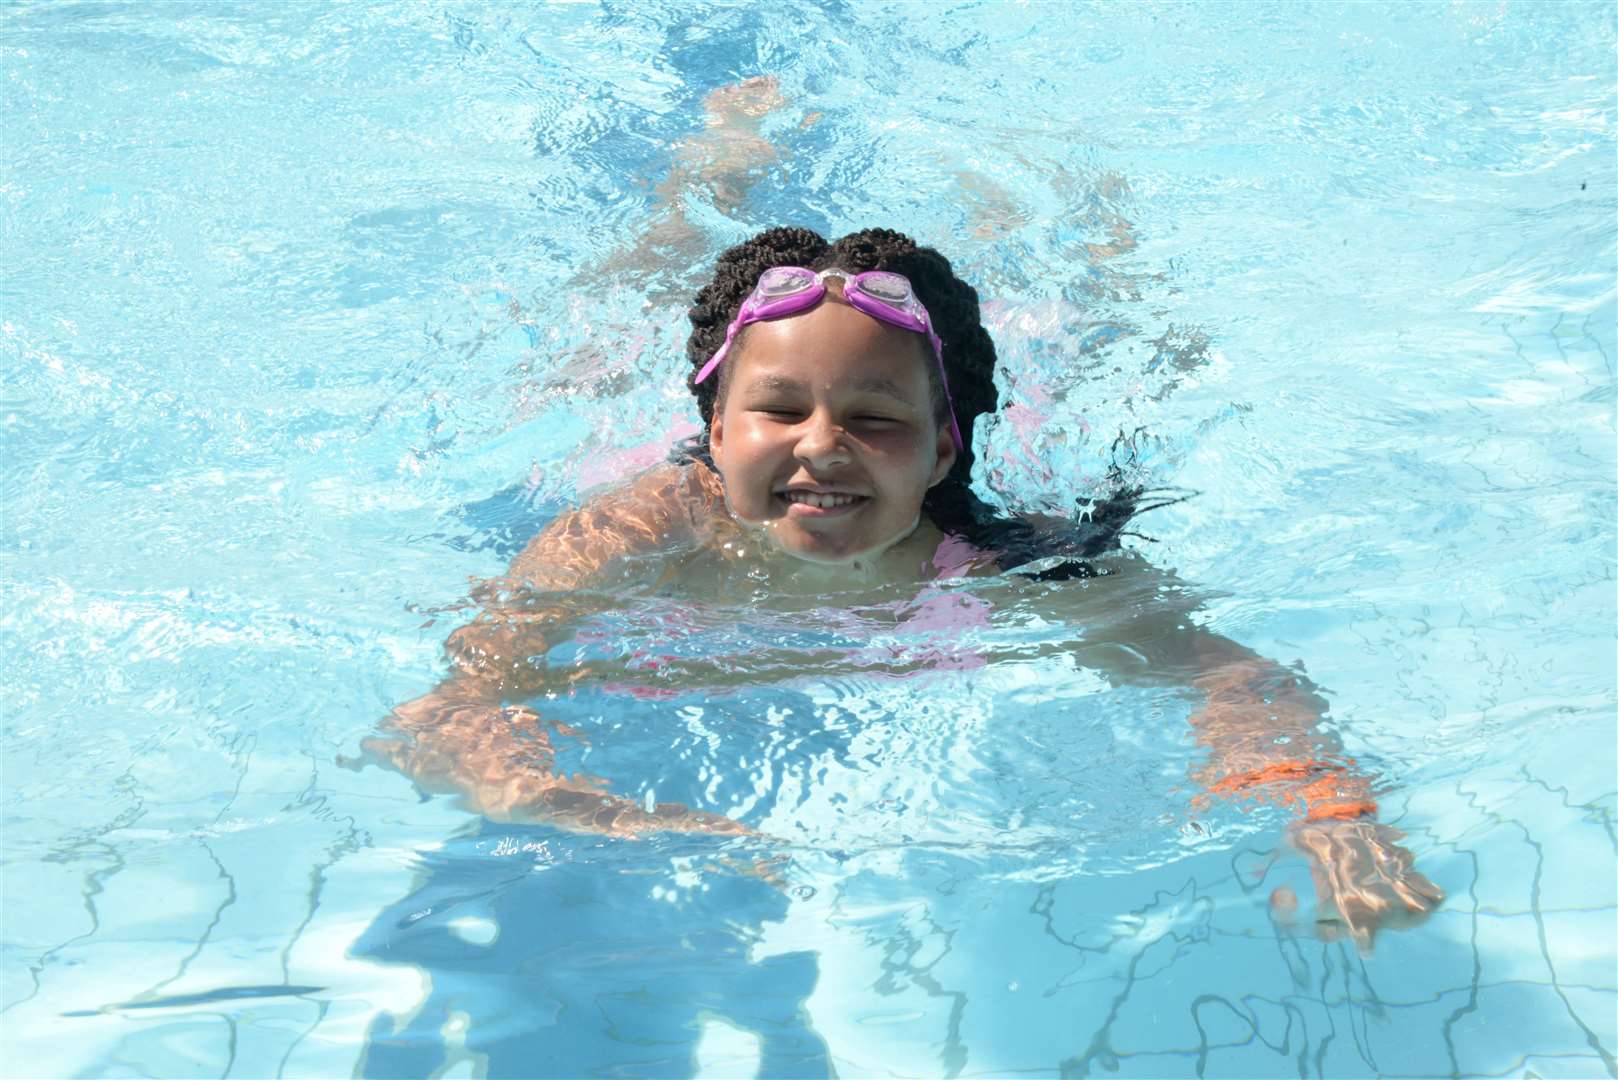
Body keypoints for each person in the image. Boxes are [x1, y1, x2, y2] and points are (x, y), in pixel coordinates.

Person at [360, 224, 1443, 949]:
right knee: (596, 324)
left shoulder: (1010, 565)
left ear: (936, 454)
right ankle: (710, 170)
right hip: (589, 454)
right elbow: (447, 709)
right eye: (778, 412)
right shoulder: (628, 539)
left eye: (875, 421)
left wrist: (1325, 805)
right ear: (712, 430)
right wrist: (598, 815)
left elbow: (1222, 675)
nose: (823, 448)